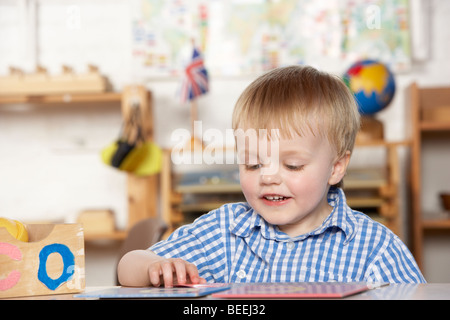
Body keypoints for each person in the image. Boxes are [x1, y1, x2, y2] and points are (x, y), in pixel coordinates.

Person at [117, 65, 425, 287]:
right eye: (252, 164)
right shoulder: (225, 230)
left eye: (292, 165)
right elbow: (128, 266)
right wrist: (156, 266)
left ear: (336, 168)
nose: (268, 177)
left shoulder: (375, 247)